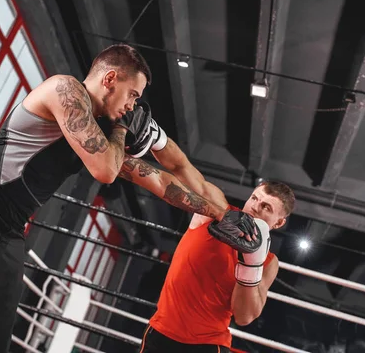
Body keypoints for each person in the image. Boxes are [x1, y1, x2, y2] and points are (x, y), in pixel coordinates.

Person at [0, 44, 258, 353]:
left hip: (8, 229)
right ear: (110, 78)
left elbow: (160, 183)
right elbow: (106, 170)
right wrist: (123, 129)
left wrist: (223, 215)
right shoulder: (64, 90)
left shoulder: (101, 137)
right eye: (133, 95)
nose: (133, 106)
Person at [116, 140, 296, 352]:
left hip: (208, 344)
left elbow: (245, 316)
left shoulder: (269, 262)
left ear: (279, 222)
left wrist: (250, 263)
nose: (254, 208)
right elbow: (181, 167)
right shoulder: (216, 210)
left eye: (266, 207)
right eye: (254, 198)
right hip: (162, 331)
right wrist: (157, 139)